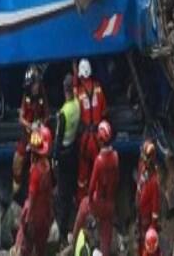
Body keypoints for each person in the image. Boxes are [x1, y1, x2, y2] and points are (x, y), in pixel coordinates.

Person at [72, 120, 119, 256]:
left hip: (97, 201)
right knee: (106, 231)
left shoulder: (99, 160)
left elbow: (92, 185)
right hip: (109, 202)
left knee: (82, 208)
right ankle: (105, 252)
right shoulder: (115, 157)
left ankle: (73, 241)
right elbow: (117, 179)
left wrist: (91, 203)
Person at [14, 125, 54, 256]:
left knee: (25, 247)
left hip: (35, 216)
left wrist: (27, 220)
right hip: (45, 215)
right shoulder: (47, 167)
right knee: (41, 247)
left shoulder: (35, 172)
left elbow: (31, 197)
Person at [73, 59, 108, 203]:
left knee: (83, 173)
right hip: (98, 138)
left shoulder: (79, 93)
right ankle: (99, 198)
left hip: (85, 139)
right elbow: (105, 111)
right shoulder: (99, 88)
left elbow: (76, 115)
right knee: (99, 170)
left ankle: (83, 201)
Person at [13, 65, 50, 194]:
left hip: (39, 136)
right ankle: (16, 187)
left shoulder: (42, 94)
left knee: (41, 163)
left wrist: (40, 124)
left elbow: (47, 114)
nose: (36, 87)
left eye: (37, 84)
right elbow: (21, 118)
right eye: (34, 84)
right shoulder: (26, 96)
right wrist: (30, 125)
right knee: (17, 160)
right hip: (27, 135)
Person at [53, 73, 81, 244]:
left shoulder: (63, 113)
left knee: (62, 191)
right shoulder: (77, 105)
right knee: (71, 185)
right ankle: (73, 216)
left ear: (65, 91)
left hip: (63, 153)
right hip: (73, 151)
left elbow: (58, 137)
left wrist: (54, 157)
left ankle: (62, 230)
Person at [136, 139, 160, 255]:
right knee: (140, 240)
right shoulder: (142, 168)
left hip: (147, 219)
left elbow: (155, 207)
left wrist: (153, 226)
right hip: (140, 214)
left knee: (148, 245)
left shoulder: (154, 181)